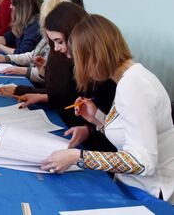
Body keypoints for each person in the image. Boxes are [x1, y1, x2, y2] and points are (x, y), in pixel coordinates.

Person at [42, 14, 174, 205]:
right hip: (130, 184)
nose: (82, 70)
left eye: (81, 61)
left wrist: (78, 156)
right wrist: (96, 118)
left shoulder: (133, 86)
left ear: (95, 55)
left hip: (150, 194)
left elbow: (142, 162)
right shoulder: (128, 79)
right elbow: (130, 135)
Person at [0, 3, 116, 151]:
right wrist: (89, 128)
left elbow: (120, 140)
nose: (57, 48)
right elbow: (105, 122)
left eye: (59, 41)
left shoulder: (106, 76)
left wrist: (83, 148)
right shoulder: (80, 64)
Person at [0, 0, 63, 85]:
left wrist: (23, 70)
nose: (11, 10)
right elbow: (32, 55)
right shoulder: (46, 37)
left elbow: (49, 75)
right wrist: (6, 58)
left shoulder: (38, 29)